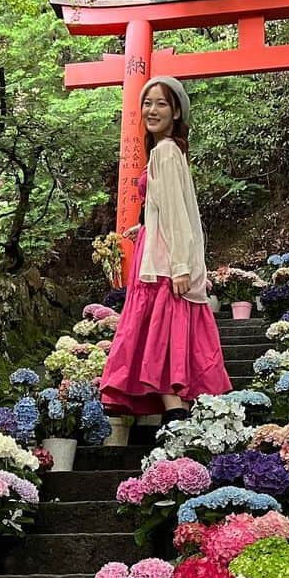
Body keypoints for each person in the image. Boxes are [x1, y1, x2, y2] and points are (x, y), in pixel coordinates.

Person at [100, 75, 232, 422]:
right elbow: (166, 207)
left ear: (176, 112)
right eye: (147, 103)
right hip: (157, 254)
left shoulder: (165, 151)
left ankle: (178, 431)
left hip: (161, 263)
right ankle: (180, 433)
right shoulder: (167, 152)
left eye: (161, 103)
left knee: (160, 346)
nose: (152, 110)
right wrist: (144, 227)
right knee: (164, 349)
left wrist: (180, 266)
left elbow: (177, 212)